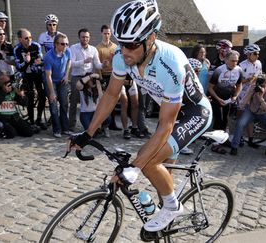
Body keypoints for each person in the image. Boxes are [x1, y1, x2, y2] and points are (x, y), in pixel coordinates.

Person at [69, 0, 212, 232]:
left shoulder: (170, 64)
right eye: (121, 43)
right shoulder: (122, 56)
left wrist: (135, 167)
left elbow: (165, 125)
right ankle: (167, 222)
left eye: (133, 45)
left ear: (151, 38)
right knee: (161, 173)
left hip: (193, 114)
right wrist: (88, 133)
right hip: (171, 112)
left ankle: (173, 207)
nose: (125, 51)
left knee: (148, 162)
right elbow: (110, 95)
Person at [230, 74, 266, 159]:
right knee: (240, 124)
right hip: (251, 110)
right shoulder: (253, 87)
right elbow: (245, 100)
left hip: (264, 112)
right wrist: (240, 107)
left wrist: (261, 98)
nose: (261, 87)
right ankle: (234, 147)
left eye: (263, 85)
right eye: (259, 85)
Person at [208, 50, 243, 154]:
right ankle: (215, 145)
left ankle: (222, 140)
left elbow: (240, 85)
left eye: (236, 61)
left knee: (225, 121)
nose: (234, 63)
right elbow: (210, 88)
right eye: (232, 61)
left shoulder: (239, 70)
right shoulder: (219, 70)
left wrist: (236, 95)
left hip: (228, 99)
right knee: (219, 120)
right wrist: (218, 99)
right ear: (226, 60)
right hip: (216, 97)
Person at [69, 28, 104, 131]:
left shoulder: (93, 49)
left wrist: (103, 65)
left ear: (89, 38)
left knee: (93, 99)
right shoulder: (73, 48)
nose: (85, 39)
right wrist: (84, 61)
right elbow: (72, 63)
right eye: (83, 37)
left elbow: (97, 64)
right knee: (74, 101)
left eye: (87, 37)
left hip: (89, 77)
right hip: (77, 77)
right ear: (79, 37)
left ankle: (94, 123)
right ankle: (71, 125)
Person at [13, 28, 47, 130]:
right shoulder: (17, 49)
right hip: (26, 75)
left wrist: (39, 62)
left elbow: (41, 60)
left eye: (30, 37)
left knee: (42, 95)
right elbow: (19, 66)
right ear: (20, 39)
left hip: (37, 73)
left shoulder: (36, 46)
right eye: (26, 38)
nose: (29, 40)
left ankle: (39, 119)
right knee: (30, 97)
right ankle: (32, 122)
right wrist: (27, 61)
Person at [0, 70, 35, 138]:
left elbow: (25, 104)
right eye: (4, 82)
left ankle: (14, 129)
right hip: (1, 118)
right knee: (11, 134)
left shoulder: (12, 88)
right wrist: (3, 92)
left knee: (29, 132)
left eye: (8, 81)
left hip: (14, 117)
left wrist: (21, 95)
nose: (7, 84)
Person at [43, 33, 71, 138]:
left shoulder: (67, 51)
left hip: (62, 79)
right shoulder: (48, 57)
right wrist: (52, 92)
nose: (65, 46)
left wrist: (66, 75)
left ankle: (66, 128)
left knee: (64, 103)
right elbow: (48, 76)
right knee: (53, 105)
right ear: (56, 44)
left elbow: (69, 61)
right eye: (62, 44)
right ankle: (57, 129)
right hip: (51, 81)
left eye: (67, 44)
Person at [96, 24, 122, 131]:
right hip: (104, 76)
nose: (107, 35)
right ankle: (104, 124)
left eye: (108, 33)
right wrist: (100, 79)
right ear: (101, 33)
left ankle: (112, 124)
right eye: (105, 33)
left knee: (114, 100)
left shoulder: (115, 47)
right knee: (105, 101)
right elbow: (97, 65)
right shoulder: (98, 48)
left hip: (114, 76)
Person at [237, 44, 262, 148]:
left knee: (251, 118)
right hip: (242, 94)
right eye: (255, 54)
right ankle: (239, 138)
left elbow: (260, 75)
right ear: (248, 55)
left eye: (258, 54)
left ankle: (251, 139)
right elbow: (238, 81)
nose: (257, 56)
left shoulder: (259, 63)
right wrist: (248, 80)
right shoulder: (242, 65)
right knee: (241, 117)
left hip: (252, 93)